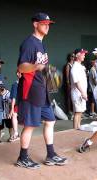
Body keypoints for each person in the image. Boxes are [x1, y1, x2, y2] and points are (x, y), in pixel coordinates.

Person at [16, 12, 67, 169]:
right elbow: (21, 67)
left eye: (48, 24)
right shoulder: (29, 43)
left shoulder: (41, 44)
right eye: (43, 23)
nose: (47, 26)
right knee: (30, 125)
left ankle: (50, 155)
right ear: (35, 24)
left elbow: (42, 68)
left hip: (41, 90)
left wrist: (45, 73)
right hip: (31, 90)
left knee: (50, 121)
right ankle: (22, 158)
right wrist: (37, 67)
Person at [70, 48, 88, 129]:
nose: (84, 55)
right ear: (77, 55)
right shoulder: (75, 67)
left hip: (81, 92)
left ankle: (78, 128)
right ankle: (75, 130)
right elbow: (76, 82)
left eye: (84, 54)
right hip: (77, 93)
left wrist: (84, 93)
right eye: (82, 54)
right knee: (77, 112)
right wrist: (83, 93)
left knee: (80, 112)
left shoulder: (80, 66)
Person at [8, 71, 21, 142]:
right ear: (17, 74)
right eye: (20, 73)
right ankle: (16, 134)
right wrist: (12, 109)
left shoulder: (27, 83)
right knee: (14, 115)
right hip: (18, 104)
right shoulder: (15, 85)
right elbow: (13, 98)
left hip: (27, 104)